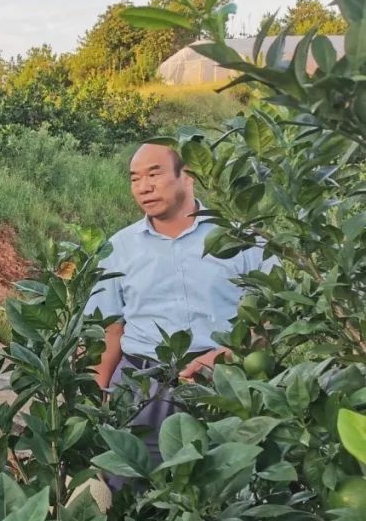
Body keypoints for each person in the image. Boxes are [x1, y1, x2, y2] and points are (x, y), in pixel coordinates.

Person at [86, 142, 275, 480]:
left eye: (154, 174)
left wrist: (229, 355)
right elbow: (109, 332)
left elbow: (271, 319)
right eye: (135, 179)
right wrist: (96, 403)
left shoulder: (241, 240)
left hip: (224, 383)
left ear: (187, 176)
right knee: (130, 489)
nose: (143, 187)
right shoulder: (119, 249)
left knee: (226, 488)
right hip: (142, 388)